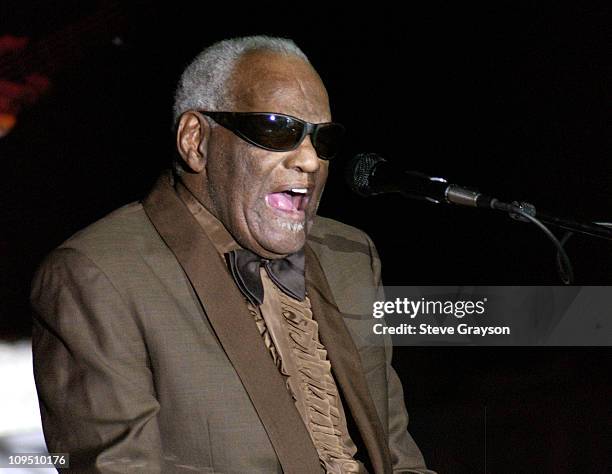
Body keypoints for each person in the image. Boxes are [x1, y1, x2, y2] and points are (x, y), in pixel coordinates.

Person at [31, 36, 434, 473]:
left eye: (324, 140)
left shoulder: (351, 256)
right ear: (195, 140)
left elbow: (397, 456)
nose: (311, 161)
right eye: (277, 128)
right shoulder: (97, 275)